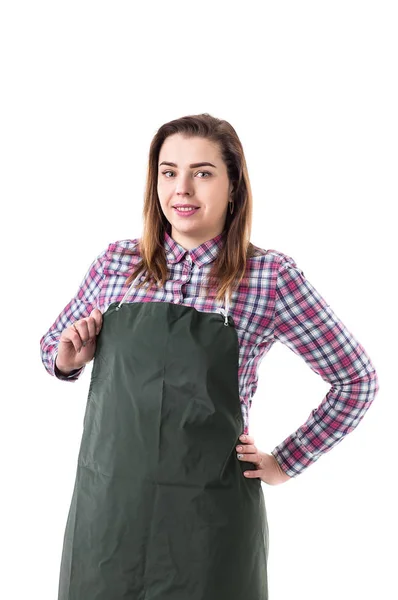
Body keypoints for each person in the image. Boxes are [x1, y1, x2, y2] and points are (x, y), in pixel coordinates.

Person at [40, 113, 380, 600]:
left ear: (233, 185)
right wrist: (70, 357)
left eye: (202, 173)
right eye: (168, 171)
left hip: (210, 524)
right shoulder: (117, 263)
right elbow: (51, 347)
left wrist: (286, 462)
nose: (182, 189)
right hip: (108, 517)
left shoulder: (268, 276)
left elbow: (356, 380)